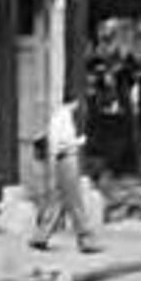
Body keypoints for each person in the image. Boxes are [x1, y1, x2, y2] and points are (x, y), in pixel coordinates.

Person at [27, 94, 99, 253]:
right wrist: (79, 142)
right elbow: (59, 142)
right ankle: (85, 239)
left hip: (62, 159)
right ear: (74, 102)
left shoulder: (58, 116)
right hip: (67, 158)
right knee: (75, 199)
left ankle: (40, 236)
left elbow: (54, 141)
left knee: (58, 199)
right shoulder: (63, 117)